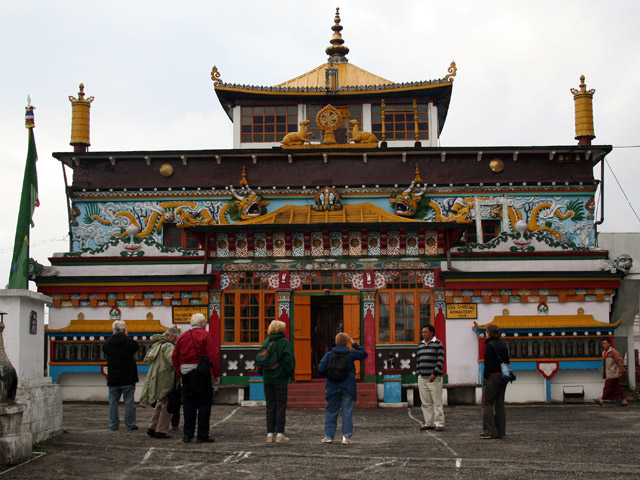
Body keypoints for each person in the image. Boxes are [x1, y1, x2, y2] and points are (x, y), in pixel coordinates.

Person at [172, 313, 220, 443]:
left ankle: (187, 434)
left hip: (186, 373)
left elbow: (174, 356)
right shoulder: (206, 335)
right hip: (201, 373)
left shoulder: (182, 337)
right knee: (204, 404)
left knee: (188, 405)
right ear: (203, 324)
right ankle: (202, 435)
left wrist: (180, 372)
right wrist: (216, 374)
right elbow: (214, 355)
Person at [318, 332, 368, 445]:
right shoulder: (351, 354)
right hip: (347, 386)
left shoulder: (329, 354)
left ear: (336, 342)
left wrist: (330, 373)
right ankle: (346, 437)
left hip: (332, 386)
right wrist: (354, 344)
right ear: (346, 342)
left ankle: (329, 436)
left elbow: (320, 369)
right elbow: (364, 353)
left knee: (331, 411)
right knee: (347, 412)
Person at [259, 320, 296, 444]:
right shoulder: (284, 343)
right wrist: (290, 373)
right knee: (280, 405)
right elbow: (288, 360)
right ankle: (280, 434)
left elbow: (261, 360)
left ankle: (269, 434)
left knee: (270, 406)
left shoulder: (266, 341)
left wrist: (263, 374)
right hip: (280, 378)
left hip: (267, 378)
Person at [140, 327, 180, 439]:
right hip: (166, 378)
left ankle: (152, 427)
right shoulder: (168, 346)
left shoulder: (157, 344)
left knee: (159, 403)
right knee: (167, 404)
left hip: (156, 376)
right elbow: (172, 360)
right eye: (175, 338)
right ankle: (161, 430)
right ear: (171, 336)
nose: (176, 340)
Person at [103, 319, 139, 431]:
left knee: (113, 402)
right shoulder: (129, 342)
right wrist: (127, 336)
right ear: (124, 330)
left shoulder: (107, 343)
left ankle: (113, 424)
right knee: (129, 402)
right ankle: (130, 424)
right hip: (128, 376)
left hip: (114, 376)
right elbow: (136, 347)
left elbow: (106, 352)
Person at [481, 323, 510, 439]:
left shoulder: (489, 345)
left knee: (487, 403)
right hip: (503, 376)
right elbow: (507, 360)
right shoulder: (502, 344)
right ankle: (501, 431)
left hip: (493, 376)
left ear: (489, 333)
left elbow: (488, 364)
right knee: (499, 404)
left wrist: (485, 377)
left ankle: (490, 430)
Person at [416, 324, 445, 432]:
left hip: (434, 377)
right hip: (422, 377)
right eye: (422, 332)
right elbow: (418, 360)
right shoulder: (420, 345)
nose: (423, 334)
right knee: (425, 402)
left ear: (432, 333)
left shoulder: (438, 344)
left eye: (425, 332)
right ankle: (429, 422)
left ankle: (439, 423)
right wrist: (418, 372)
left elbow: (440, 360)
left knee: (437, 401)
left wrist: (434, 373)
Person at [594, 338, 628, 407]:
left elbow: (620, 360)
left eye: (605, 343)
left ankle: (602, 400)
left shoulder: (613, 351)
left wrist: (621, 370)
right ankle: (624, 401)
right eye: (603, 344)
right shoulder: (604, 352)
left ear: (609, 344)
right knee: (617, 388)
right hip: (608, 372)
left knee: (607, 387)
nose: (604, 345)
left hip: (613, 373)